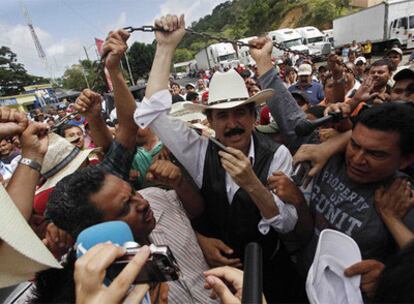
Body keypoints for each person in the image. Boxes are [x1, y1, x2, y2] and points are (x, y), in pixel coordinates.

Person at [133, 15, 307, 302]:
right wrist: (165, 48)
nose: (232, 123)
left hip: (274, 274)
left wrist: (252, 184)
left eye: (240, 113)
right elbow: (151, 113)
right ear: (209, 120)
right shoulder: (200, 151)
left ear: (253, 116)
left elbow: (287, 223)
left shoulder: (277, 156)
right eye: (223, 116)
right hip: (217, 279)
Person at [251, 35, 414, 299]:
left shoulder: (401, 200)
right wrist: (263, 63)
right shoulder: (328, 156)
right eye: (355, 144)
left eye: (376, 154)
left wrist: (387, 279)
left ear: (405, 159)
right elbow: (291, 119)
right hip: (301, 280)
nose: (358, 159)